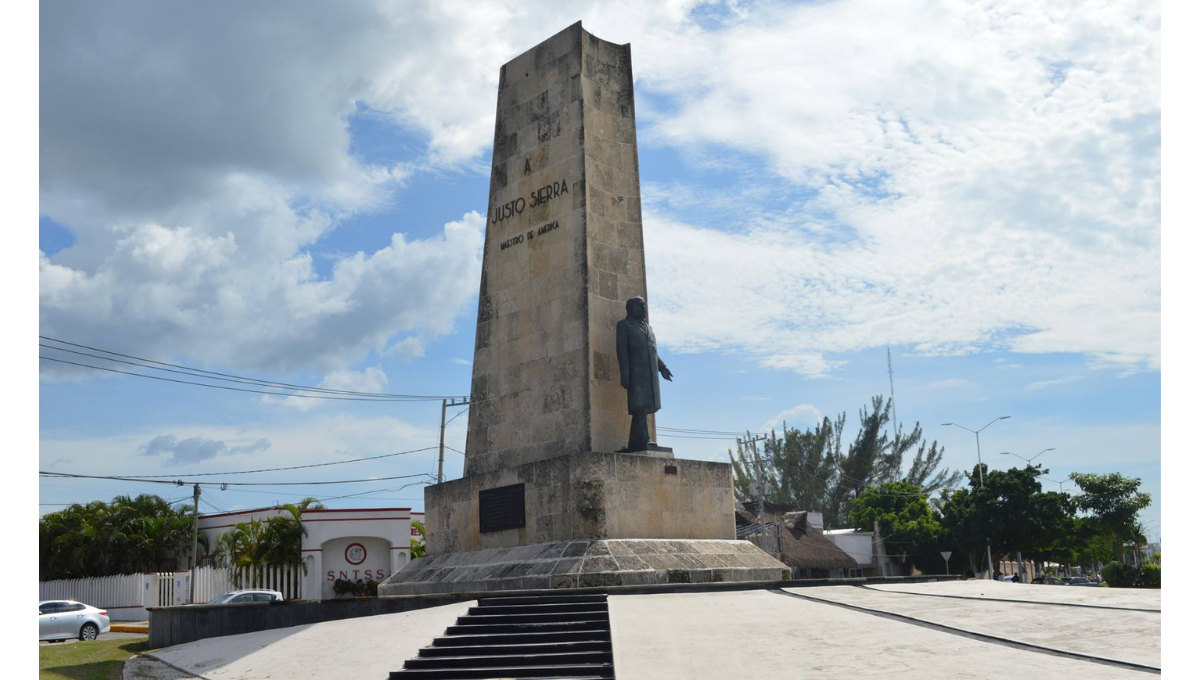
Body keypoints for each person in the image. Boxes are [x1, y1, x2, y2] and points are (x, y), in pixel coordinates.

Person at [615, 296, 672, 452]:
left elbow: (653, 351)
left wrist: (662, 367)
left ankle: (635, 442)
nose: (644, 309)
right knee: (639, 406)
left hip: (650, 374)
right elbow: (621, 351)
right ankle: (644, 439)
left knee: (645, 407)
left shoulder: (648, 328)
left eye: (645, 306)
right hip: (636, 374)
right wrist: (625, 374)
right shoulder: (624, 325)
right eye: (641, 306)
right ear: (631, 308)